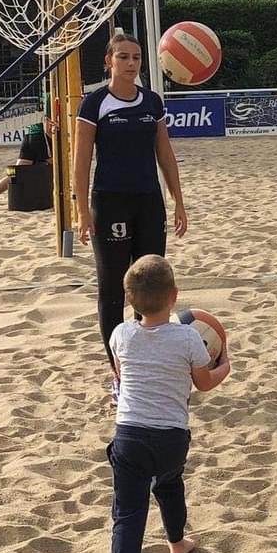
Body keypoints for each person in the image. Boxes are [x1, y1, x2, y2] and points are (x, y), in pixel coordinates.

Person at [101, 255, 230, 553]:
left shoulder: (120, 334)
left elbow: (122, 379)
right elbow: (203, 384)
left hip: (129, 435)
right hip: (172, 437)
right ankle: (177, 544)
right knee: (171, 486)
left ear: (128, 299)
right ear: (174, 296)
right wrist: (226, 365)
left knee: (127, 512)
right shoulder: (189, 336)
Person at [73, 33, 187, 402]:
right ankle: (120, 374)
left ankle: (154, 366)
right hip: (109, 204)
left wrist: (178, 201)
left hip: (148, 203)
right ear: (109, 62)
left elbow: (165, 154)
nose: (131, 63)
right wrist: (81, 211)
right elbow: (81, 161)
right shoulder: (95, 104)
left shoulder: (151, 101)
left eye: (136, 57)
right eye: (123, 57)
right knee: (112, 293)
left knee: (152, 288)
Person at [0, 95, 56, 206]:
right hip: (40, 136)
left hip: (29, 134)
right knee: (54, 166)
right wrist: (52, 138)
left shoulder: (43, 96)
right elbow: (47, 122)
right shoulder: (53, 94)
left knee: (17, 171)